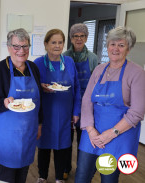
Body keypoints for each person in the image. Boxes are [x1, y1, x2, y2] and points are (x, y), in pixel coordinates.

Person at [75, 26, 145, 183]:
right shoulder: (99, 69)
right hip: (92, 133)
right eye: (112, 44)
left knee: (108, 179)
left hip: (117, 136)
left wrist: (111, 133)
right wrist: (91, 129)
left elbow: (137, 112)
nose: (116, 49)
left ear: (128, 48)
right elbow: (87, 100)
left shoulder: (137, 73)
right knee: (81, 177)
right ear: (107, 46)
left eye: (121, 45)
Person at [0, 28, 43, 183]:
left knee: (24, 169)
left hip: (28, 130)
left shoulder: (34, 69)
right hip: (7, 134)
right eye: (16, 46)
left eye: (25, 46)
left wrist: (39, 124)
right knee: (8, 174)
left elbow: (40, 101)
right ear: (9, 47)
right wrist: (3, 102)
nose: (21, 51)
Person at [34, 29, 81, 183]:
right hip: (45, 113)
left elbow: (77, 88)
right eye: (53, 42)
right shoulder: (38, 63)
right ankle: (42, 176)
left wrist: (76, 111)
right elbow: (32, 88)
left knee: (63, 146)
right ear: (46, 44)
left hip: (65, 113)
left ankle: (60, 178)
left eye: (60, 42)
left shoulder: (68, 62)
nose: (57, 45)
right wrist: (40, 86)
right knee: (44, 147)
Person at [63, 23, 99, 178]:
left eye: (82, 36)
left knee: (83, 139)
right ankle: (65, 168)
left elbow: (95, 82)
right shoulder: (64, 56)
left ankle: (81, 169)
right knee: (67, 139)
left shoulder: (93, 58)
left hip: (86, 104)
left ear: (86, 38)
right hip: (67, 102)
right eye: (75, 36)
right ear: (71, 39)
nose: (79, 39)